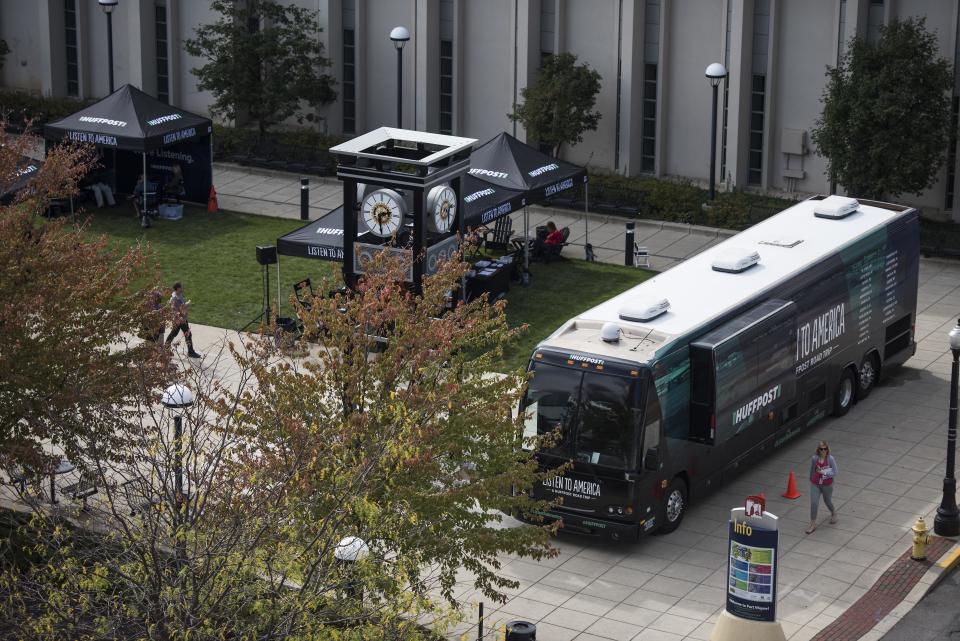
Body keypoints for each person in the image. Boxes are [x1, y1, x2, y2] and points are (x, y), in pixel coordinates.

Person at [807, 440, 838, 534]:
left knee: (827, 501)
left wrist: (823, 472)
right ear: (818, 450)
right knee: (814, 503)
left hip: (827, 484)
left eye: (825, 449)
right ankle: (812, 524)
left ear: (827, 449)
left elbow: (835, 472)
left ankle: (833, 513)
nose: (823, 451)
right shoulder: (814, 458)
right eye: (821, 449)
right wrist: (811, 478)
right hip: (815, 483)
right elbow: (812, 469)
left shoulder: (830, 459)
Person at [164, 281, 202, 359]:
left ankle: (165, 349)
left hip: (182, 318)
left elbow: (181, 306)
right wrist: (187, 305)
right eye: (181, 287)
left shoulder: (179, 295)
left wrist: (186, 305)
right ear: (178, 288)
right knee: (187, 334)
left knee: (174, 333)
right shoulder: (175, 298)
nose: (183, 288)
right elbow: (175, 310)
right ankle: (190, 352)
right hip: (180, 320)